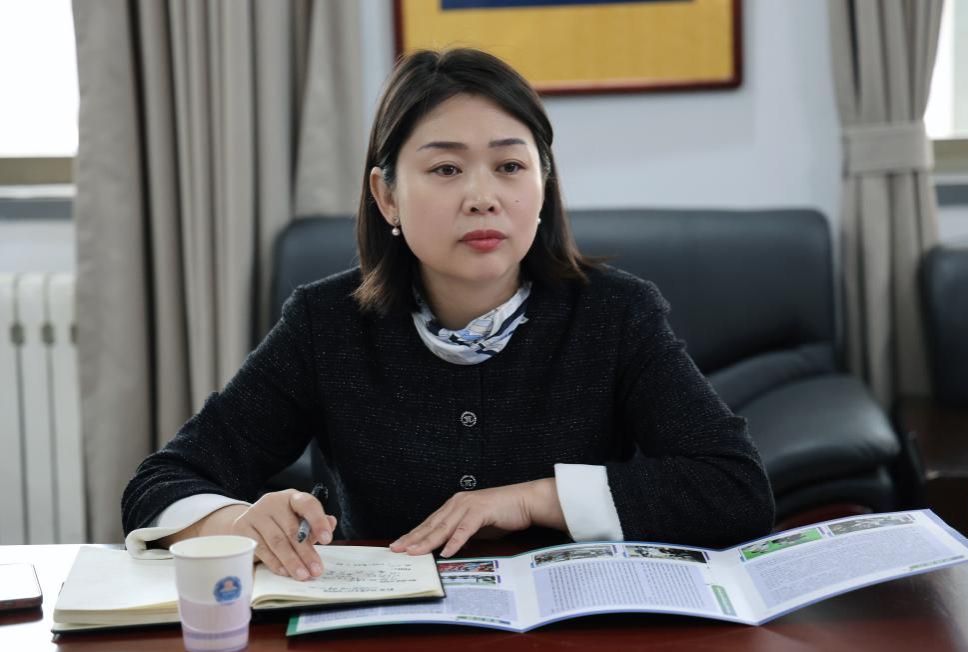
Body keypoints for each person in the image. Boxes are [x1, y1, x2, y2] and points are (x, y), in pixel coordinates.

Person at [122, 48, 775, 581]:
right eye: (445, 169)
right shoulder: (326, 325)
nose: (482, 197)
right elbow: (161, 481)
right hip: (383, 630)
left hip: (573, 631)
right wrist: (237, 523)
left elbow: (736, 488)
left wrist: (533, 498)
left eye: (509, 165)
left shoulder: (615, 314)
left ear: (543, 186)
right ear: (387, 196)